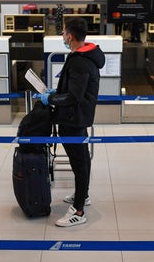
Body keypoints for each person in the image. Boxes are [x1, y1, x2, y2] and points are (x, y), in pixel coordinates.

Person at [38, 17, 105, 227]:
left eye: (64, 32)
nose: (63, 36)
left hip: (73, 119)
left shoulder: (80, 61)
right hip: (76, 117)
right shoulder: (83, 56)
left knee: (79, 162)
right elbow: (74, 89)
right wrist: (56, 92)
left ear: (70, 36)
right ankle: (82, 196)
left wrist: (51, 98)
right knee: (81, 160)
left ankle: (78, 211)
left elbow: (74, 96)